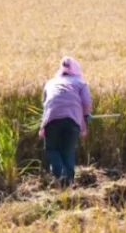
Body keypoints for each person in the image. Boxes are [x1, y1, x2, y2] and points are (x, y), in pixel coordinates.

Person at [39, 56, 92, 186]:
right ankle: (68, 182)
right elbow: (87, 103)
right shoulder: (80, 83)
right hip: (72, 120)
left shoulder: (51, 82)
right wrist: (86, 117)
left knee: (52, 150)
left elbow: (46, 103)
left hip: (52, 118)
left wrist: (43, 125)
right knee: (68, 151)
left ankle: (61, 177)